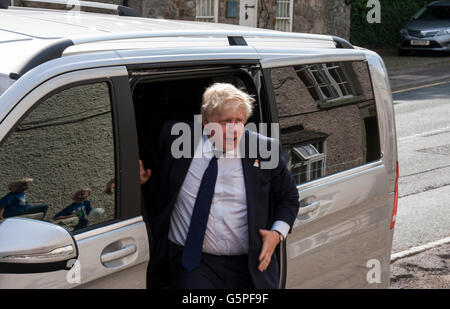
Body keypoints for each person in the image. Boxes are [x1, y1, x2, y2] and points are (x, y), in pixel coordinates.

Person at [141, 83, 300, 289]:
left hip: (249, 265)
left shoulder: (264, 149)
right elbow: (149, 169)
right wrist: (137, 177)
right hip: (193, 264)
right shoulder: (175, 138)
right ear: (206, 122)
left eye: (239, 121)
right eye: (226, 122)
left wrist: (277, 233)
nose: (234, 130)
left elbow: (289, 198)